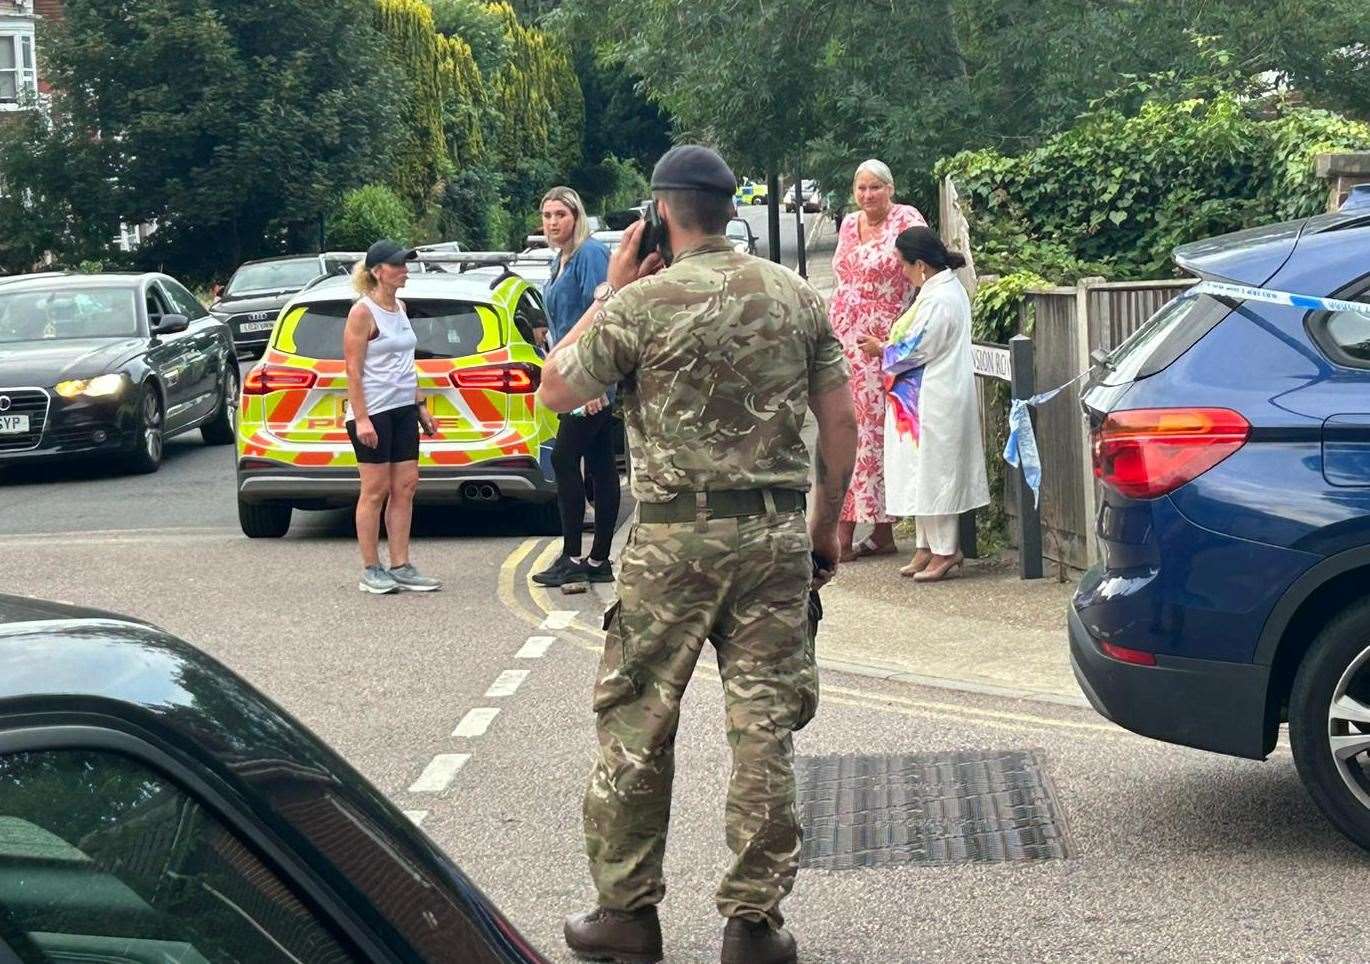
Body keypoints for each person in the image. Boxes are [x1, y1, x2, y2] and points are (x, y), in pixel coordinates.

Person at [538, 145, 857, 964]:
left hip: (674, 541)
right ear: (727, 213)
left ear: (659, 214)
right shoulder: (795, 299)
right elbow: (841, 427)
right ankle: (754, 925)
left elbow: (557, 390)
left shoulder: (640, 304)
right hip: (775, 537)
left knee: (637, 725)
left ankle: (627, 916)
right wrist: (824, 531)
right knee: (764, 728)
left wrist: (613, 287)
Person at [858, 226, 989, 582]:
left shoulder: (941, 298)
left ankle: (946, 549)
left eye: (903, 265)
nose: (901, 272)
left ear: (921, 265)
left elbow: (917, 346)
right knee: (920, 471)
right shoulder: (937, 291)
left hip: (935, 396)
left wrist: (882, 348)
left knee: (934, 472)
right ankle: (927, 545)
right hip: (922, 398)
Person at [827, 159, 927, 561]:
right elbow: (843, 279)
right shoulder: (849, 224)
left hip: (883, 343)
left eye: (875, 188)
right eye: (861, 188)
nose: (867, 196)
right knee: (851, 428)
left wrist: (899, 336)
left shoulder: (907, 220)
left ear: (891, 188)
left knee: (869, 435)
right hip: (845, 345)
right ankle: (882, 532)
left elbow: (926, 272)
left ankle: (844, 533)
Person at [530, 186, 619, 588]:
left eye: (560, 215)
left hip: (589, 379)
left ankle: (573, 555)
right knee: (599, 465)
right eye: (547, 215)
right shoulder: (559, 260)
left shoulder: (590, 255)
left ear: (576, 216)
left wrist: (595, 379)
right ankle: (599, 560)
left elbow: (603, 314)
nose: (552, 223)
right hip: (571, 376)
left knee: (565, 460)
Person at [342, 239, 443, 595]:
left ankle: (401, 564)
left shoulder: (399, 306)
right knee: (375, 490)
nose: (404, 270)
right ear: (377, 271)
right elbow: (353, 371)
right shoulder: (362, 312)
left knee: (406, 485)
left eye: (405, 264)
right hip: (373, 410)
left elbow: (405, 365)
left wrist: (420, 406)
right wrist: (363, 418)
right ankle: (371, 569)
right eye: (398, 264)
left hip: (402, 409)